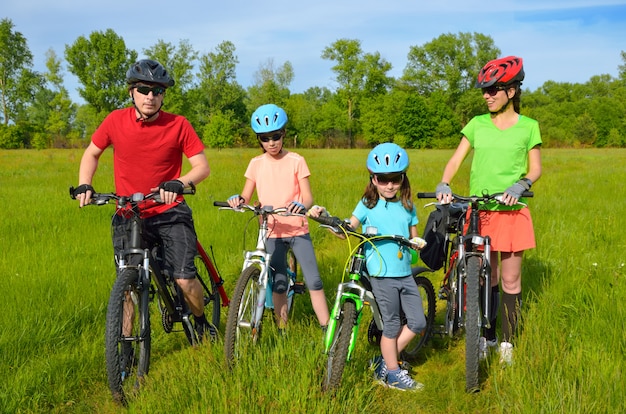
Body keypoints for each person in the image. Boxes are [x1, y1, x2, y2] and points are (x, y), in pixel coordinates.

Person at [72, 59, 215, 342]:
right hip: (128, 214)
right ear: (132, 93)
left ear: (163, 95)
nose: (150, 96)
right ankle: (125, 349)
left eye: (157, 91)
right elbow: (92, 153)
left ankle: (200, 322)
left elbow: (202, 167)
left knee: (184, 278)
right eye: (144, 90)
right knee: (127, 286)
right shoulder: (115, 120)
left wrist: (179, 182)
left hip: (170, 212)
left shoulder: (178, 124)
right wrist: (85, 183)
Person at [435, 56, 542, 365]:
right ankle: (485, 336)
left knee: (510, 280)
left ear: (512, 91)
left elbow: (536, 168)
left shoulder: (528, 127)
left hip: (512, 211)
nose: (487, 95)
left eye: (494, 89)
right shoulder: (477, 124)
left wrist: (521, 185)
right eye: (484, 90)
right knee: (485, 278)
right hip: (480, 212)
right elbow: (456, 160)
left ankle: (507, 343)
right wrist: (444, 182)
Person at [310, 142, 427, 391]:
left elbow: (414, 236)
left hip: (404, 273)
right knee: (392, 325)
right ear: (373, 179)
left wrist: (417, 243)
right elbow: (348, 228)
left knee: (417, 322)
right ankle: (392, 372)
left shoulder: (408, 206)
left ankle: (386, 360)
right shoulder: (367, 204)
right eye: (383, 179)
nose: (389, 185)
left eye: (395, 179)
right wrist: (326, 216)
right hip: (381, 275)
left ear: (402, 179)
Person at [227, 103, 330, 332]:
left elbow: (308, 197)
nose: (271, 142)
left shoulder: (296, 160)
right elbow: (246, 194)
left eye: (275, 136)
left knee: (314, 281)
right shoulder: (256, 164)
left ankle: (327, 329)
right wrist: (238, 200)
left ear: (283, 134)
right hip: (271, 231)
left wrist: (300, 205)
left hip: (296, 229)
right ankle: (282, 330)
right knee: (279, 283)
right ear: (259, 140)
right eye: (265, 138)